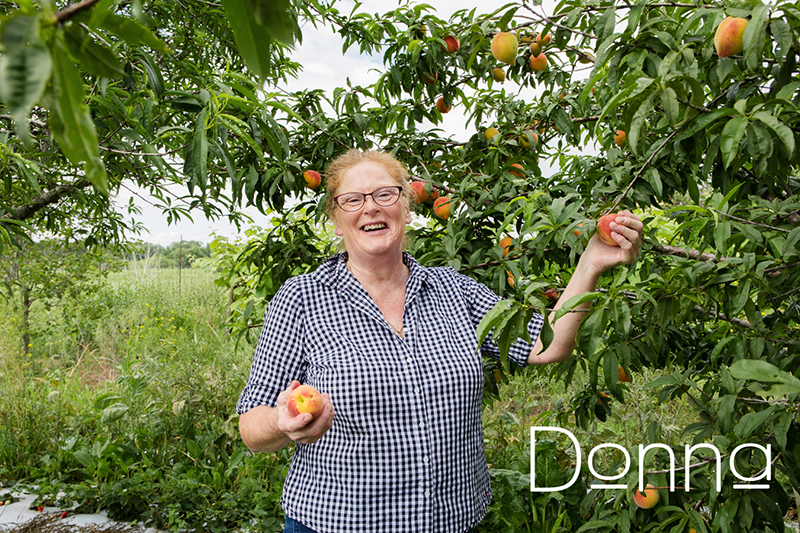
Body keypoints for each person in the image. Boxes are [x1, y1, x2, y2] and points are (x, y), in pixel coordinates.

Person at [237, 149, 643, 533]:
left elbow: (547, 345)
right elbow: (251, 428)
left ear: (406, 208)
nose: (371, 207)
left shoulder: (453, 291)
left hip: (452, 520)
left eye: (385, 194)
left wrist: (591, 263)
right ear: (335, 217)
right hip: (338, 522)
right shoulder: (302, 298)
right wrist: (281, 423)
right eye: (353, 199)